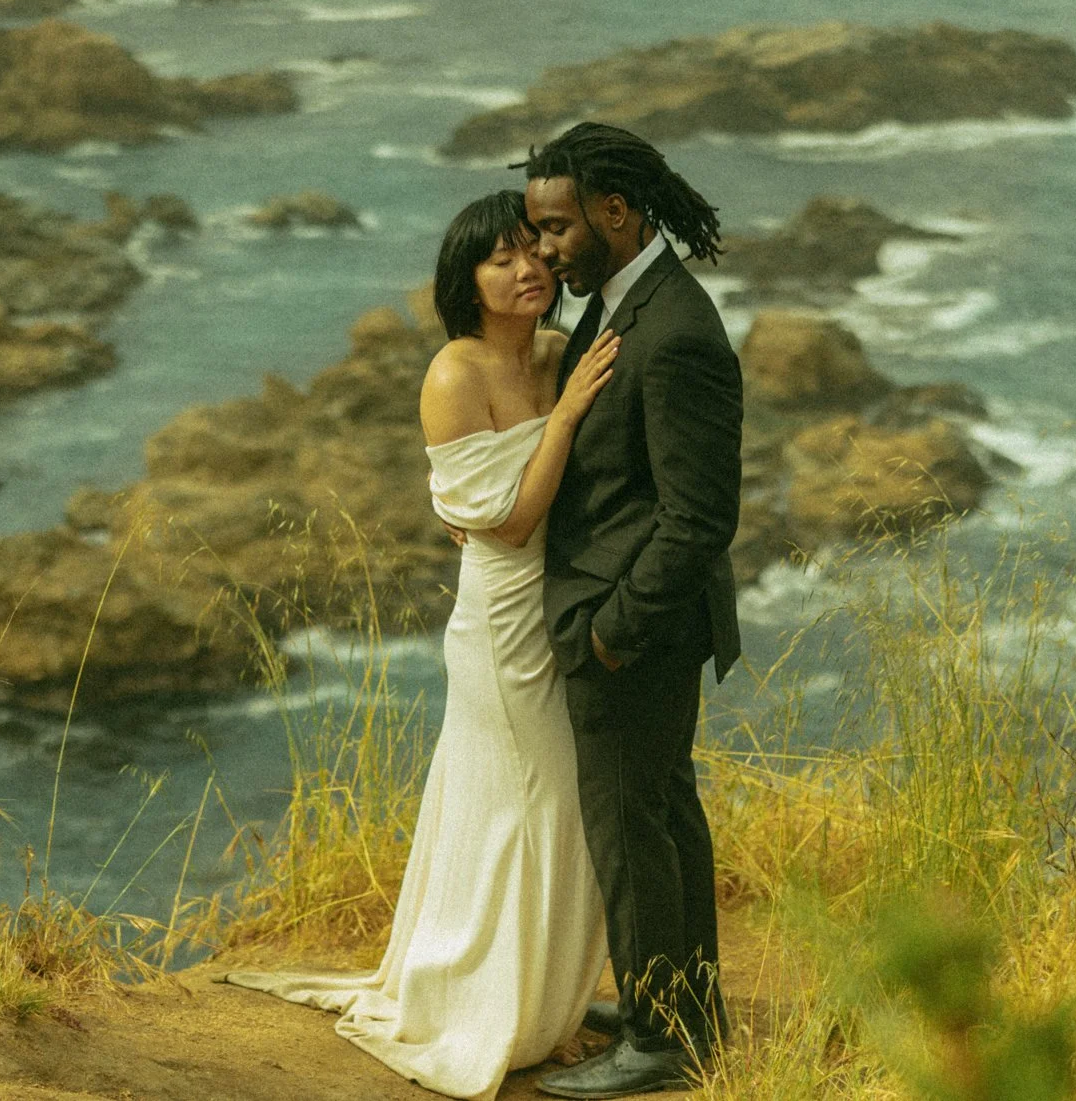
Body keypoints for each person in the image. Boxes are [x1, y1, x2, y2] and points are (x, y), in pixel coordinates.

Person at [226, 189, 622, 1101]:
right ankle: (491, 1010)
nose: (526, 268)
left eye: (534, 250)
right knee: (526, 804)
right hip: (503, 623)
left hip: (564, 607)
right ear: (466, 281)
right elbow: (510, 523)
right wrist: (562, 420)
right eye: (500, 258)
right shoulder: (454, 372)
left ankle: (539, 1008)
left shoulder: (559, 353)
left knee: (557, 809)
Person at [521, 123, 744, 1100]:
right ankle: (685, 1008)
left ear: (616, 211)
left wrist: (612, 633)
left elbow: (698, 518)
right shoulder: (620, 303)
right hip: (635, 623)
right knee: (661, 813)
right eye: (536, 229)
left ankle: (660, 1040)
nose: (543, 250)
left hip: (636, 630)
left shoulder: (675, 332)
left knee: (630, 828)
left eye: (556, 228)